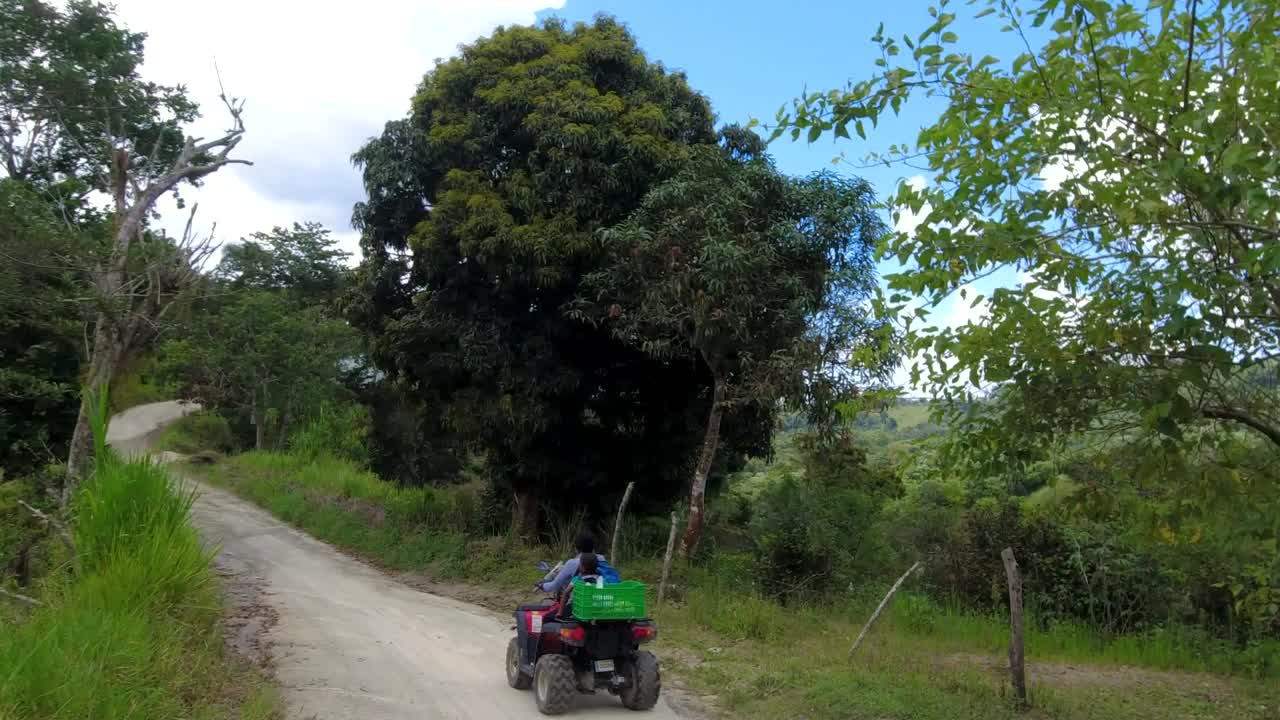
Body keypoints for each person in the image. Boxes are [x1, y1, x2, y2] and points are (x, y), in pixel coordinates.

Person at [536, 531, 619, 595]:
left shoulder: (572, 563)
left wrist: (541, 585)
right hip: (599, 601)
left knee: (547, 617)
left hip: (578, 604)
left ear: (576, 548)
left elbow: (553, 586)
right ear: (593, 546)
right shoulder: (601, 558)